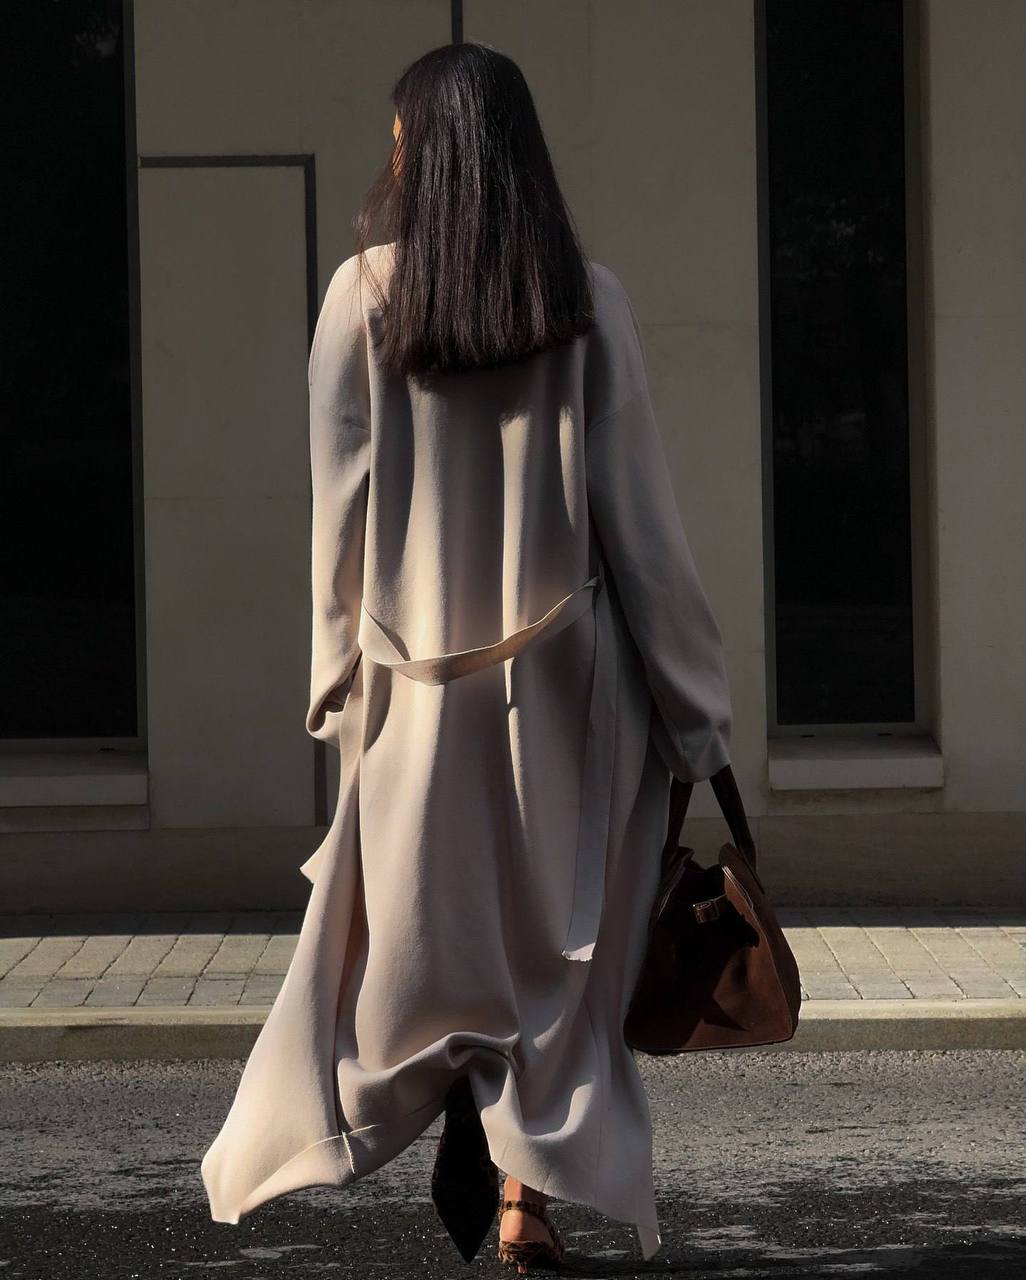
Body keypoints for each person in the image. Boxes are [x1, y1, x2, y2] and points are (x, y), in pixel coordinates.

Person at [201, 40, 734, 1274]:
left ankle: (454, 1130)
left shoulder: (363, 295)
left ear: (419, 153)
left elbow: (340, 513)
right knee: (557, 961)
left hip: (416, 698)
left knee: (418, 953)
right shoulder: (586, 299)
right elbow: (641, 523)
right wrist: (697, 716)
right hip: (572, 695)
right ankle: (520, 1197)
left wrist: (337, 683)